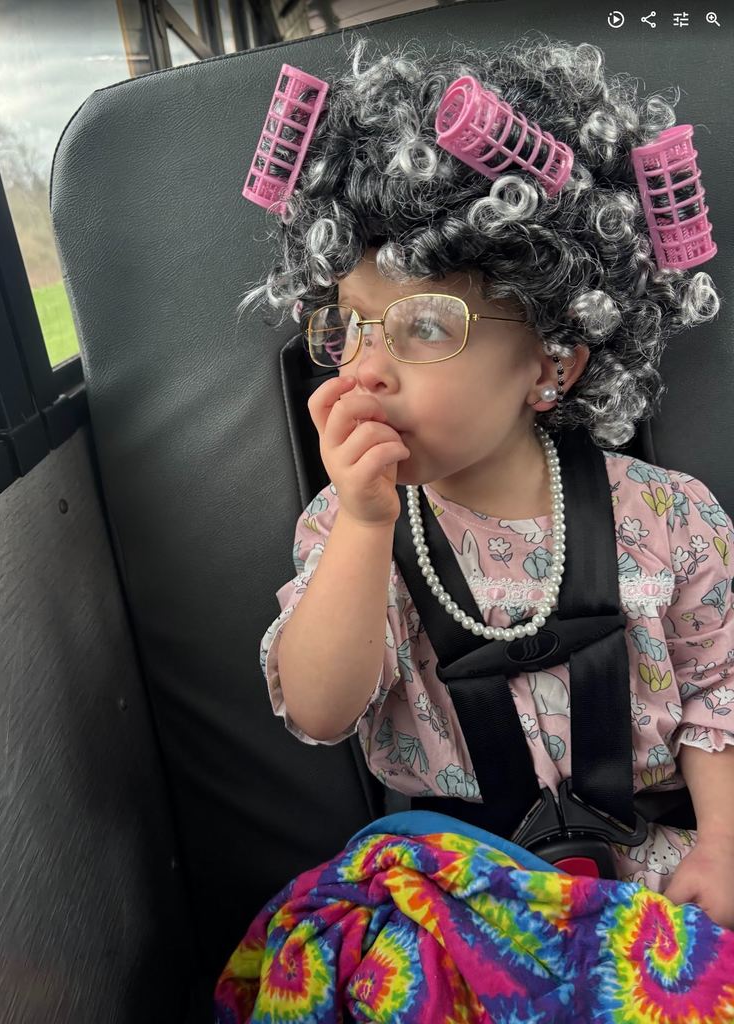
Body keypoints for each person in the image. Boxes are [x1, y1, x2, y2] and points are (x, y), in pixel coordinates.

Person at [241, 33, 734, 929]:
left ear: (553, 362)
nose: (370, 365)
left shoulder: (670, 519)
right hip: (445, 890)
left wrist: (723, 849)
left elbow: (716, 690)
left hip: (641, 876)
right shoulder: (351, 528)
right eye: (352, 326)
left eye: (426, 326)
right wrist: (359, 526)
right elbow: (319, 711)